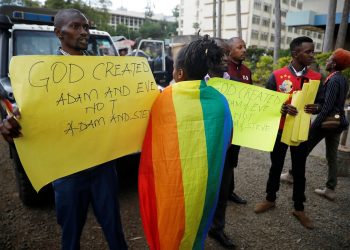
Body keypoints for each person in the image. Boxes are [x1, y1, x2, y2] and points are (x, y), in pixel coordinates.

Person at [0, 9, 128, 249]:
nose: (83, 32)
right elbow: (25, 113)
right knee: (70, 237)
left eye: (86, 27)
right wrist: (9, 124)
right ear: (59, 33)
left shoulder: (105, 70)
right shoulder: (41, 75)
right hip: (67, 171)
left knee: (115, 232)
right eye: (76, 27)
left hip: (103, 167)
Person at [138, 35, 233, 250]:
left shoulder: (164, 99)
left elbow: (150, 139)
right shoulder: (219, 100)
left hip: (170, 181)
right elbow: (227, 141)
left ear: (179, 72)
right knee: (195, 222)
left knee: (169, 223)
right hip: (203, 182)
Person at [254, 36, 321, 229]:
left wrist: (315, 107)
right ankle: (270, 198)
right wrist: (281, 109)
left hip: (301, 131)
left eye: (313, 51)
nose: (312, 55)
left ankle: (299, 208)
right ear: (294, 53)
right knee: (276, 165)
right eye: (308, 51)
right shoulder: (277, 76)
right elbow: (266, 103)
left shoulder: (316, 77)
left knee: (299, 171)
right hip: (280, 130)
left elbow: (323, 102)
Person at [280, 48, 350, 200]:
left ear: (334, 63)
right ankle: (330, 188)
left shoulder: (333, 80)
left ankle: (292, 174)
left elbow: (327, 106)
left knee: (303, 148)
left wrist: (314, 125)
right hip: (338, 122)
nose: (327, 60)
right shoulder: (343, 79)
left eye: (330, 58)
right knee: (332, 156)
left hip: (326, 122)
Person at [207, 38, 236, 249]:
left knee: (222, 191)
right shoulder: (197, 82)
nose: (227, 58)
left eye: (228, 53)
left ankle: (217, 228)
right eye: (222, 54)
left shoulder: (234, 84)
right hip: (203, 148)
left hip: (227, 149)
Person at [225, 37, 252, 205]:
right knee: (220, 159)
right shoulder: (221, 69)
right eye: (239, 47)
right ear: (229, 50)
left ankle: (229, 191)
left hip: (239, 124)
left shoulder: (247, 71)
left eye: (244, 47)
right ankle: (217, 192)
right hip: (223, 123)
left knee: (232, 159)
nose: (243, 50)